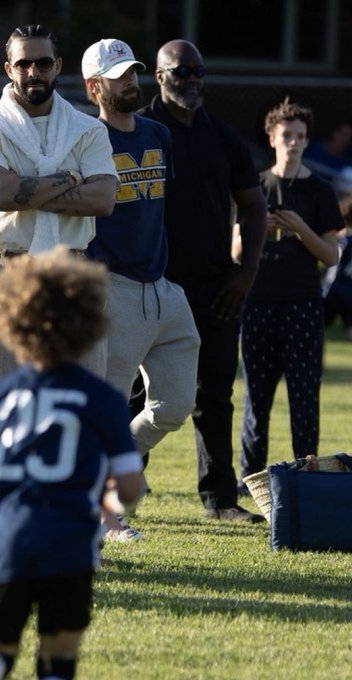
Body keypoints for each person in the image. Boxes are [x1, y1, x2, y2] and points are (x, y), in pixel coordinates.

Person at [0, 24, 118, 558]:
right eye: (23, 64)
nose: (33, 72)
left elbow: (105, 199)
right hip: (1, 271)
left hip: (69, 276)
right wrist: (67, 181)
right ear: (7, 69)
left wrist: (29, 188)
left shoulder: (88, 129)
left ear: (59, 67)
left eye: (43, 63)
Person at [0, 247, 145, 680]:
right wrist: (113, 500)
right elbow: (130, 486)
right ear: (90, 322)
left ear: (13, 323)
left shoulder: (0, 395)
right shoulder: (103, 400)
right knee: (60, 652)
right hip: (69, 544)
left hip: (3, 541)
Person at [129, 39, 268, 522]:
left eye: (198, 72)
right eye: (181, 72)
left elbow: (254, 206)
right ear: (160, 77)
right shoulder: (140, 130)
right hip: (149, 281)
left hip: (214, 287)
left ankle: (220, 500)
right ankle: (119, 491)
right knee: (135, 392)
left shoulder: (223, 137)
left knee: (214, 393)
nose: (192, 81)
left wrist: (245, 272)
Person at [81, 38, 201, 540]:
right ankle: (103, 513)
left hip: (163, 289)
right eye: (119, 76)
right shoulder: (85, 139)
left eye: (133, 72)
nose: (131, 82)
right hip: (113, 288)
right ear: (94, 87)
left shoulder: (157, 133)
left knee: (176, 404)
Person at [234, 100, 341, 486]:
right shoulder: (256, 187)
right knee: (255, 399)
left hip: (303, 304)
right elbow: (234, 251)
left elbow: (331, 256)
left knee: (304, 396)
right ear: (272, 138)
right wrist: (260, 225)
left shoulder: (320, 191)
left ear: (307, 140)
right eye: (286, 136)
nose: (292, 143)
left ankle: (305, 474)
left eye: (299, 137)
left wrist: (300, 228)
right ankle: (250, 479)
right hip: (258, 302)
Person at [323, 194, 352, 340]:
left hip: (333, 289)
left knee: (316, 329)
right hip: (349, 292)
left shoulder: (342, 239)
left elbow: (332, 261)